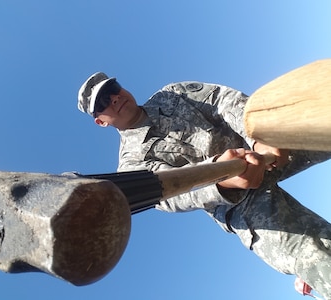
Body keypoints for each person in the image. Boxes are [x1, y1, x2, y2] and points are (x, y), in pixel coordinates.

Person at [77, 72, 331, 299]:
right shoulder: (131, 165)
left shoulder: (172, 94)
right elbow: (169, 196)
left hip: (257, 144)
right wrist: (221, 182)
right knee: (314, 255)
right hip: (234, 200)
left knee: (323, 123)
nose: (113, 98)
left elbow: (223, 101)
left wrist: (260, 135)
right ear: (100, 121)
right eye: (102, 103)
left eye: (113, 89)